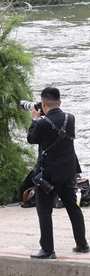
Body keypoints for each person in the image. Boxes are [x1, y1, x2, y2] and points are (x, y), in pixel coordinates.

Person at [26, 87, 89, 259]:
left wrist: (34, 119)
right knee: (72, 207)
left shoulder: (41, 123)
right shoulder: (71, 118)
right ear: (59, 102)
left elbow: (31, 138)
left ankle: (47, 250)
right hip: (68, 172)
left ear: (43, 103)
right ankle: (82, 244)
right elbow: (55, 127)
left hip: (48, 175)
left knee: (44, 210)